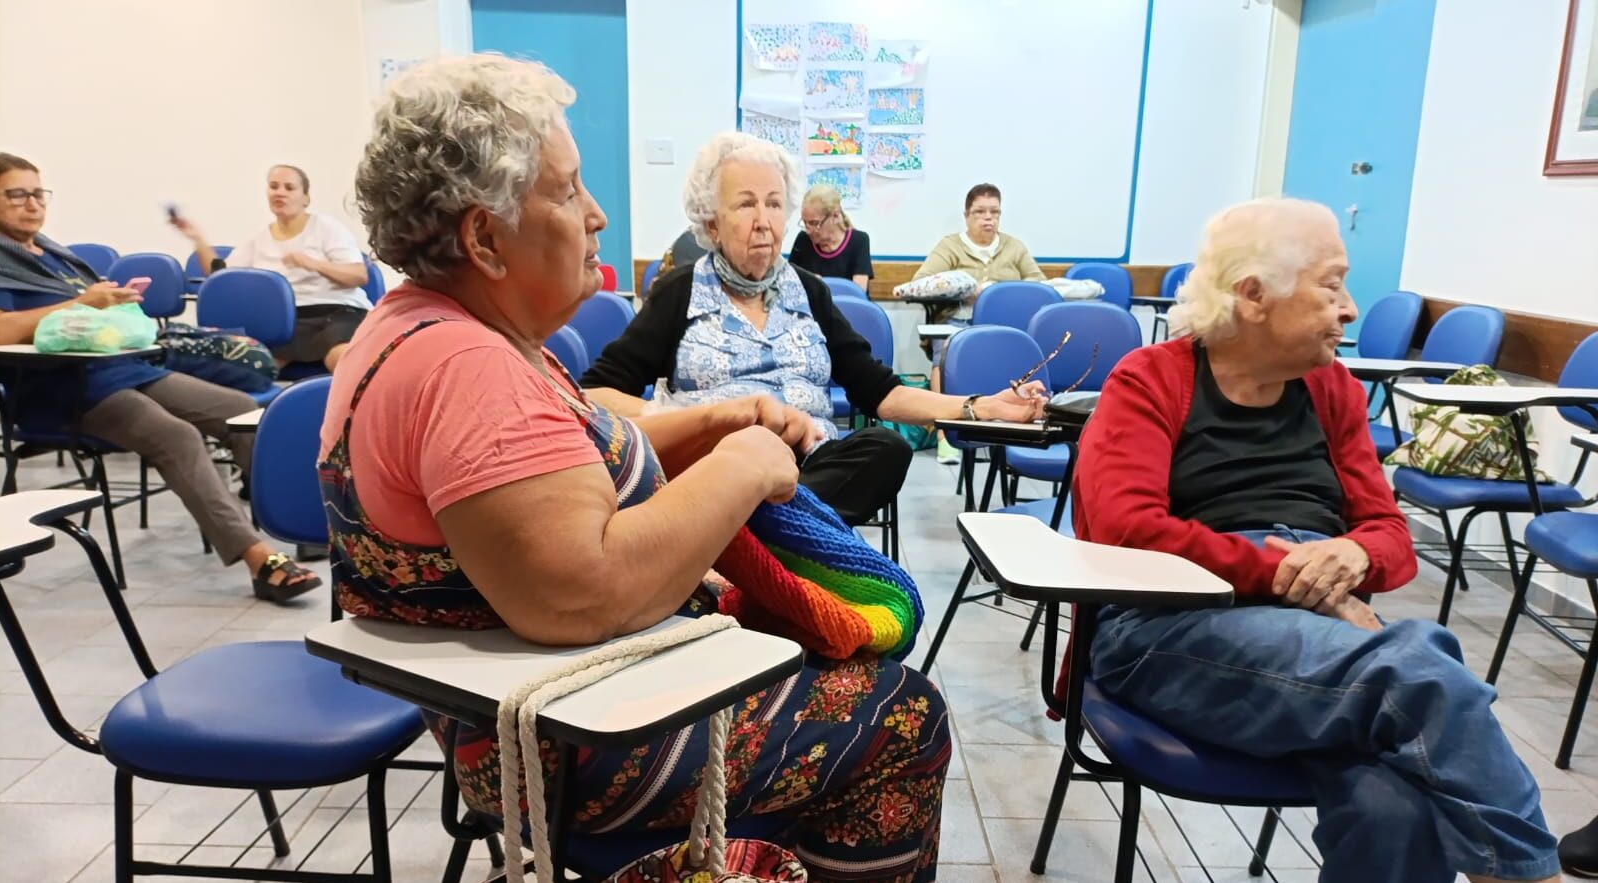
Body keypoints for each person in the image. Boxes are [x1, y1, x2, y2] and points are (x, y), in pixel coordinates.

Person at [329, 55, 949, 881]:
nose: (596, 214)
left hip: (553, 713)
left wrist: (716, 420)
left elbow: (582, 452)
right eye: (567, 190)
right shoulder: (467, 370)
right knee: (905, 714)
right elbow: (581, 594)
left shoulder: (422, 328)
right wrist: (742, 465)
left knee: (828, 644)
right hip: (583, 747)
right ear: (482, 237)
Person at [1072, 197, 1559, 883]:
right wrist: (1286, 577)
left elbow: (1391, 538)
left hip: (1318, 637)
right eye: (1332, 286)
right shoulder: (1149, 379)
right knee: (1416, 668)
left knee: (1397, 810)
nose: (1350, 309)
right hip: (1166, 623)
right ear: (1253, 296)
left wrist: (1354, 554)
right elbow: (1129, 533)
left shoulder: (1331, 389)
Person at [582, 133, 1046, 526]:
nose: (763, 221)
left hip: (809, 466)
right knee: (744, 485)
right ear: (712, 223)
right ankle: (783, 529)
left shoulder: (810, 291)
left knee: (884, 448)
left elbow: (880, 391)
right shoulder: (680, 291)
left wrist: (982, 407)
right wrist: (701, 418)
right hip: (716, 468)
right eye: (745, 204)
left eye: (774, 203)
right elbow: (596, 394)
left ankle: (761, 529)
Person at [0, 152, 320, 603]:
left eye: (38, 193)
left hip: (122, 368)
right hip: (63, 390)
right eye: (17, 195)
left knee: (243, 411)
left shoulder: (54, 256)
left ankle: (301, 524)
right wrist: (82, 305)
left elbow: (88, 315)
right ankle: (260, 560)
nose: (33, 204)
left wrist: (116, 305)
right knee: (176, 436)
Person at [173, 164, 370, 372]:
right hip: (287, 321)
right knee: (253, 367)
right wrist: (197, 239)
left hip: (337, 312)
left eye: (289, 187)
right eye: (274, 187)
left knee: (340, 360)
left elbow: (358, 275)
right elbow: (221, 276)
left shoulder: (327, 228)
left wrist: (314, 264)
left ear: (306, 198)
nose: (280, 192)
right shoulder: (258, 238)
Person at [913, 183, 1046, 462]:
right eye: (980, 212)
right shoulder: (950, 246)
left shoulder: (1013, 247)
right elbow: (922, 281)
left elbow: (1038, 284)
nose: (988, 218)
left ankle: (1010, 431)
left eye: (994, 212)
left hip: (1004, 325)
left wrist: (1001, 292)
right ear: (967, 215)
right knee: (944, 354)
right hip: (957, 321)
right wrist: (963, 289)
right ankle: (945, 436)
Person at [788, 183, 872, 291]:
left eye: (814, 223)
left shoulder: (859, 241)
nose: (808, 231)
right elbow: (789, 282)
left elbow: (859, 290)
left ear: (835, 216)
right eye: (805, 223)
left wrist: (818, 284)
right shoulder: (803, 240)